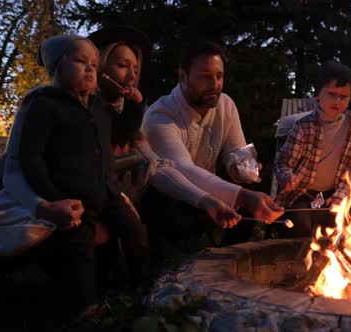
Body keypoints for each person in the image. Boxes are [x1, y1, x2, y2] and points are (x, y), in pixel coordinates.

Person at [14, 34, 148, 325]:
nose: (90, 68)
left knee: (136, 233)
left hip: (107, 192)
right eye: (80, 61)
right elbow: (31, 157)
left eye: (94, 64)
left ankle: (141, 290)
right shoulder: (44, 105)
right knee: (81, 250)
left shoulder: (98, 107)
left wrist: (136, 104)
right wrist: (52, 197)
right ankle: (87, 310)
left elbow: (122, 131)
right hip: (73, 197)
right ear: (56, 66)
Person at [87, 26, 241, 230]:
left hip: (120, 207)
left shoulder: (128, 117)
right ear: (99, 67)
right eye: (123, 65)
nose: (132, 77)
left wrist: (207, 199)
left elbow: (157, 165)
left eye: (135, 69)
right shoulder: (80, 112)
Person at [141, 40, 283, 244]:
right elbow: (182, 169)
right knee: (244, 198)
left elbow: (236, 148)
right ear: (183, 76)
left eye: (219, 76)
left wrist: (240, 166)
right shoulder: (160, 116)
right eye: (205, 77)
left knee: (259, 188)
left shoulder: (225, 104)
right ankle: (174, 260)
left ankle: (232, 255)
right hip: (172, 197)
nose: (214, 85)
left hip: (211, 188)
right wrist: (242, 195)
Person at [274, 61, 351, 237]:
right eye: (332, 94)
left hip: (333, 194)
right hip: (302, 195)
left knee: (345, 229)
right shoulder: (303, 127)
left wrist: (339, 196)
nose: (338, 101)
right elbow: (283, 162)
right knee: (301, 230)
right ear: (317, 95)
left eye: (344, 96)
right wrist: (287, 177)